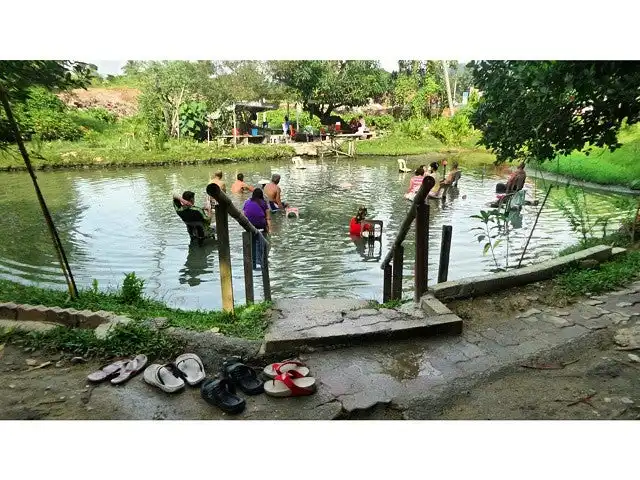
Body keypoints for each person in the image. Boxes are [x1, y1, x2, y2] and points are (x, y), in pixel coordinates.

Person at [243, 188, 271, 269]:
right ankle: (263, 259)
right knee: (266, 239)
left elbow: (244, 213)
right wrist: (269, 229)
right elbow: (268, 218)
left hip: (249, 225)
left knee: (253, 242)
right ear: (261, 195)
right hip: (261, 225)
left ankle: (253, 263)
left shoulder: (247, 202)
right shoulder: (263, 203)